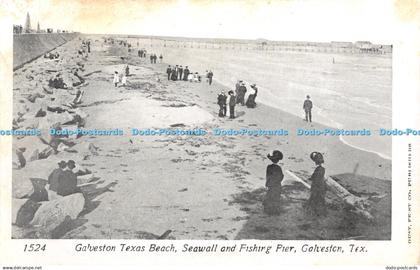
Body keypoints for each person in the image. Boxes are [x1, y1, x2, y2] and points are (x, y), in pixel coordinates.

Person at [305, 152, 327, 217]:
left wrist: (310, 178)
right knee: (321, 199)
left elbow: (314, 177)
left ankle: (312, 212)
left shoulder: (317, 169)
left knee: (313, 199)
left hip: (316, 187)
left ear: (315, 162)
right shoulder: (322, 169)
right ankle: (323, 212)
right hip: (321, 186)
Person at [263, 150, 284, 215]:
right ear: (278, 160)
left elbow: (268, 176)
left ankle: (268, 210)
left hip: (270, 185)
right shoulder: (278, 168)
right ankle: (275, 211)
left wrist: (267, 184)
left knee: (270, 197)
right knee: (276, 197)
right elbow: (281, 176)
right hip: (277, 185)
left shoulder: (269, 167)